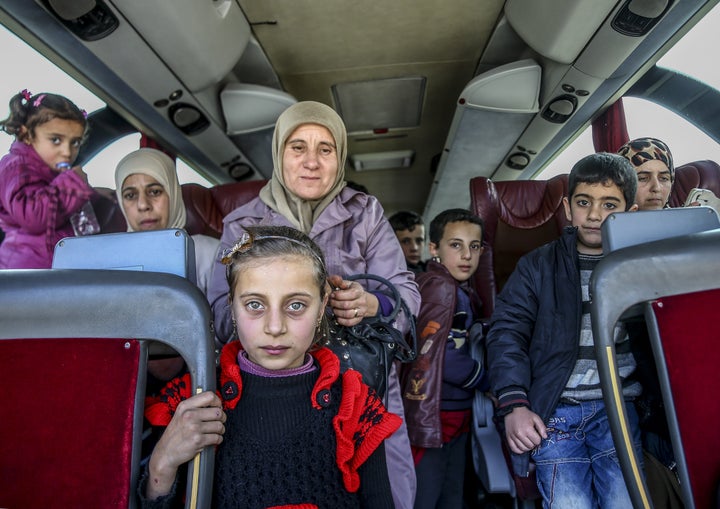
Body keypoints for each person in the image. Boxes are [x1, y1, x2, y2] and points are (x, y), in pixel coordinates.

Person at [207, 100, 421, 508]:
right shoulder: (243, 225)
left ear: (339, 158)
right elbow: (219, 311)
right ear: (278, 154)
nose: (312, 162)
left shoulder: (366, 214)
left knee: (383, 494)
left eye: (325, 149)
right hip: (269, 390)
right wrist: (270, 308)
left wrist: (371, 303)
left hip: (360, 380)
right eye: (297, 147)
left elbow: (405, 293)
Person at [139, 225, 401, 508]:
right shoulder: (191, 401)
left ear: (322, 304)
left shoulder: (355, 406)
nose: (275, 327)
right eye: (254, 304)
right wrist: (161, 464)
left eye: (296, 305)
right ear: (232, 305)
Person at [486, 153, 642, 508]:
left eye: (609, 204)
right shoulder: (538, 266)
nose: (595, 215)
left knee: (623, 501)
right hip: (555, 412)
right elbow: (506, 334)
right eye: (584, 202)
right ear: (568, 208)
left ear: (630, 214)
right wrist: (514, 405)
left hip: (620, 408)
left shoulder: (640, 264)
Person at [401, 208, 488, 509]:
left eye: (474, 246)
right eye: (456, 245)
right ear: (434, 248)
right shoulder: (442, 288)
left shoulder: (451, 287)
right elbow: (438, 353)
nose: (466, 255)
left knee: (450, 494)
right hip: (437, 411)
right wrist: (484, 378)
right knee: (431, 493)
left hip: (451, 410)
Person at [0, 90, 95, 268]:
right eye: (56, 140)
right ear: (26, 134)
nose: (67, 152)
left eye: (75, 142)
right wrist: (74, 183)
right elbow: (33, 216)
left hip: (52, 270)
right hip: (26, 272)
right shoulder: (17, 167)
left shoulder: (52, 171)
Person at [114, 147, 220, 296]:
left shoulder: (209, 252)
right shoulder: (110, 261)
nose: (143, 205)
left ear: (173, 194)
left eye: (155, 192)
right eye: (130, 195)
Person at [617, 137, 674, 210]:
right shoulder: (604, 219)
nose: (656, 188)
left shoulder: (682, 220)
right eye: (643, 178)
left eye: (664, 178)